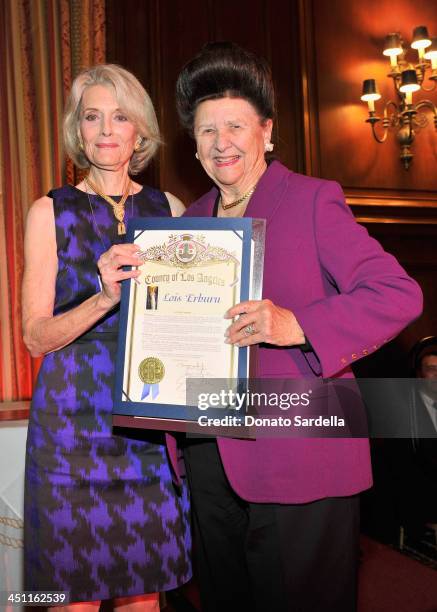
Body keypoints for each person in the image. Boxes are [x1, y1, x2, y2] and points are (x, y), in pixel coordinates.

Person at [172, 42, 423, 612]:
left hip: (299, 451)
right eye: (206, 130)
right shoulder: (186, 223)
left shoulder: (312, 200)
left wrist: (297, 325)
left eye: (234, 125)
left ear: (267, 131)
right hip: (209, 456)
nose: (220, 142)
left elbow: (398, 293)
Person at [22, 64, 191, 611]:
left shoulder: (169, 211)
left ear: (140, 130)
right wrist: (102, 297)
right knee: (71, 595)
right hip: (71, 427)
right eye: (91, 117)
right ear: (77, 129)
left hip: (146, 422)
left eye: (120, 116)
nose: (105, 129)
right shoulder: (49, 211)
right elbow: (33, 337)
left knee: (145, 590)